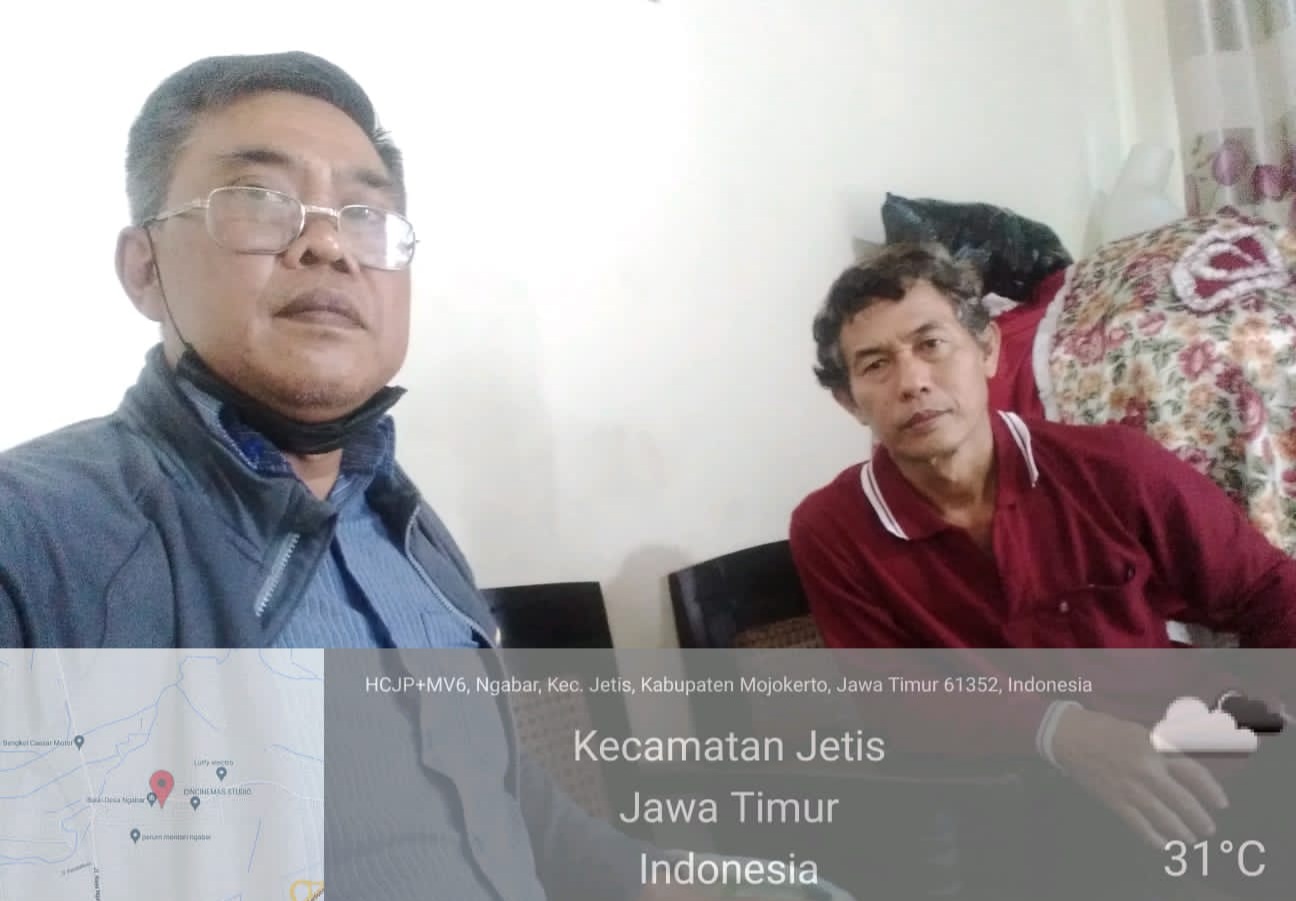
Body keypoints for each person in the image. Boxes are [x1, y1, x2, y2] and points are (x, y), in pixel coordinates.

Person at [0, 52, 804, 901]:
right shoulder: (35, 539)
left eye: (366, 215)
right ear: (144, 266)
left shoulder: (403, 525)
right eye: (260, 199)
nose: (328, 243)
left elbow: (515, 820)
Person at [790, 241, 1296, 897]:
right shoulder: (831, 530)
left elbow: (1270, 590)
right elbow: (895, 702)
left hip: (1200, 759)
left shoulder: (1115, 468)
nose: (912, 380)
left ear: (988, 351)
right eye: (875, 364)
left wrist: (1266, 711)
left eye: (932, 344)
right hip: (1021, 813)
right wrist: (1059, 731)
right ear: (850, 401)